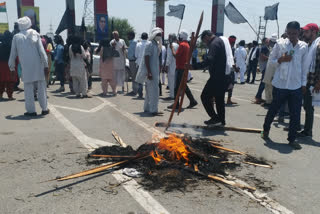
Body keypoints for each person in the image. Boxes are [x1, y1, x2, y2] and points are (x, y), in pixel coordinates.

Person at [261, 21, 308, 150]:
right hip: (280, 85)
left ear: (299, 32)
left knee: (295, 114)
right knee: (273, 109)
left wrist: (303, 84)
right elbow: (271, 62)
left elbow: (304, 68)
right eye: (289, 33)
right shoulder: (280, 44)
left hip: (296, 86)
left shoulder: (304, 47)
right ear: (286, 32)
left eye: (295, 33)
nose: (292, 35)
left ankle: (292, 139)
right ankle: (265, 131)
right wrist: (281, 60)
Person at [8, 16, 49, 116]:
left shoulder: (16, 37)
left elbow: (12, 54)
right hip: (38, 66)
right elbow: (42, 52)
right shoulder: (35, 34)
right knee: (41, 88)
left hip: (26, 68)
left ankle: (31, 111)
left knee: (28, 90)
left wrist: (12, 68)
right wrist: (46, 65)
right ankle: (44, 109)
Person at [200, 30, 227, 126]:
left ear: (207, 36)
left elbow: (210, 59)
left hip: (216, 77)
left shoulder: (214, 43)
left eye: (204, 41)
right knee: (219, 99)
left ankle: (215, 118)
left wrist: (195, 66)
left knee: (204, 96)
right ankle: (221, 120)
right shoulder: (219, 41)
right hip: (221, 75)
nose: (205, 43)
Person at [298, 23, 320, 138]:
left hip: (313, 81)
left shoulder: (318, 45)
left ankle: (307, 131)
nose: (304, 33)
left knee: (308, 106)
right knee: (306, 106)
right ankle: (305, 129)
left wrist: (318, 83)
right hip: (307, 80)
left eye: (307, 31)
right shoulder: (310, 45)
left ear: (314, 32)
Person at [168, 30, 198, 109]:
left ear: (181, 37)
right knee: (184, 86)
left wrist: (172, 49)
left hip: (180, 68)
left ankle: (176, 103)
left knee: (176, 87)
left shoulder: (182, 45)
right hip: (184, 68)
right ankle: (192, 100)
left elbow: (176, 56)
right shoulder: (187, 45)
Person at [136, 27, 162, 116]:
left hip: (154, 71)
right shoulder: (150, 44)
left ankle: (147, 108)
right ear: (154, 35)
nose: (160, 36)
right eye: (158, 34)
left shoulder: (155, 44)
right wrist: (149, 72)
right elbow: (146, 59)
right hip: (151, 72)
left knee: (149, 91)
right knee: (154, 91)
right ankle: (153, 110)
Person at [262, 34, 278, 107]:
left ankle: (271, 102)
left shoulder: (277, 48)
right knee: (267, 86)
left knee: (271, 88)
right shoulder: (271, 48)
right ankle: (268, 101)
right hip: (268, 71)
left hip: (273, 71)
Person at [0, 31, 17, 101]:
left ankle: (0, 95)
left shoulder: (0, 45)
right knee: (10, 81)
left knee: (1, 81)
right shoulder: (11, 45)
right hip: (10, 64)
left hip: (1, 64)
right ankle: (10, 96)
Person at [254, 38, 271, 104]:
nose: (270, 42)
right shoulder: (264, 47)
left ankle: (258, 97)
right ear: (265, 41)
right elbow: (262, 57)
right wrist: (270, 59)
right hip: (265, 68)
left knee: (263, 83)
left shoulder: (265, 47)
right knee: (263, 83)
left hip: (264, 67)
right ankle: (258, 97)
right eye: (268, 41)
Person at [135, 32, 149, 98]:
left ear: (141, 37)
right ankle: (148, 94)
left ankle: (140, 94)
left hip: (139, 63)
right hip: (147, 64)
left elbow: (136, 55)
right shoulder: (149, 44)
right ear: (147, 37)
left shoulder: (138, 44)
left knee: (140, 80)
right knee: (147, 80)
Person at [165, 33, 179, 100]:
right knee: (174, 81)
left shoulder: (170, 45)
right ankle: (175, 94)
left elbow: (169, 57)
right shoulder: (177, 45)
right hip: (176, 65)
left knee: (171, 81)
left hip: (171, 66)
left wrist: (167, 65)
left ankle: (172, 95)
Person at [226, 35, 237, 105]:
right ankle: (229, 99)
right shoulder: (231, 49)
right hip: (230, 69)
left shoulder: (224, 47)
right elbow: (232, 61)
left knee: (222, 83)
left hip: (223, 69)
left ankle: (215, 97)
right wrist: (236, 69)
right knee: (231, 84)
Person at [127, 31, 138, 96]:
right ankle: (134, 90)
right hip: (131, 61)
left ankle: (135, 91)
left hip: (134, 61)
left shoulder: (134, 42)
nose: (127, 37)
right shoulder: (131, 43)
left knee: (134, 76)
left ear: (131, 36)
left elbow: (136, 51)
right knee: (133, 76)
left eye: (128, 35)